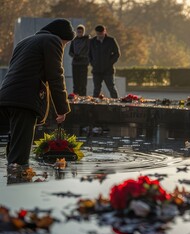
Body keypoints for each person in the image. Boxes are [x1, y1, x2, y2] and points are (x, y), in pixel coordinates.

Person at [0, 19, 74, 168]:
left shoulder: (24, 42)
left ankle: (10, 182)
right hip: (25, 102)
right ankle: (17, 186)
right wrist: (62, 109)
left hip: (5, 98)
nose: (64, 46)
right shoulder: (52, 40)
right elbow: (55, 76)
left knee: (13, 147)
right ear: (61, 37)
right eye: (65, 43)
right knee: (19, 159)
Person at [88, 25, 121, 98]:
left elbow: (117, 53)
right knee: (96, 90)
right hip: (96, 70)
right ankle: (95, 106)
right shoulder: (92, 41)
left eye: (101, 33)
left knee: (111, 88)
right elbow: (88, 54)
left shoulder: (111, 40)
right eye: (98, 34)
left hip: (108, 70)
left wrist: (110, 63)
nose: (99, 35)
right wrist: (92, 63)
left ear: (104, 31)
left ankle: (116, 104)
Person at [69, 24, 90, 96]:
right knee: (76, 83)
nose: (79, 33)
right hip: (75, 63)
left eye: (80, 32)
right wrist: (74, 56)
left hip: (83, 63)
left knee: (83, 83)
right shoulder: (74, 40)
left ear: (83, 32)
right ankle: (75, 97)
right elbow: (70, 52)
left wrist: (82, 56)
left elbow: (89, 51)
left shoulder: (87, 40)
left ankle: (83, 97)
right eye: (78, 32)